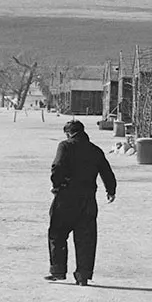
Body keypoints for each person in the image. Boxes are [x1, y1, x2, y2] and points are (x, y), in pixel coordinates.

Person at [47, 118, 117, 285]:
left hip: (66, 197)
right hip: (87, 199)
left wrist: (57, 185)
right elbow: (107, 171)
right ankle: (83, 275)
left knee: (57, 234)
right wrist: (111, 190)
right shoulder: (95, 150)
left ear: (69, 133)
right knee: (86, 238)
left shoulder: (65, 146)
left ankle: (58, 270)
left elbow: (57, 167)